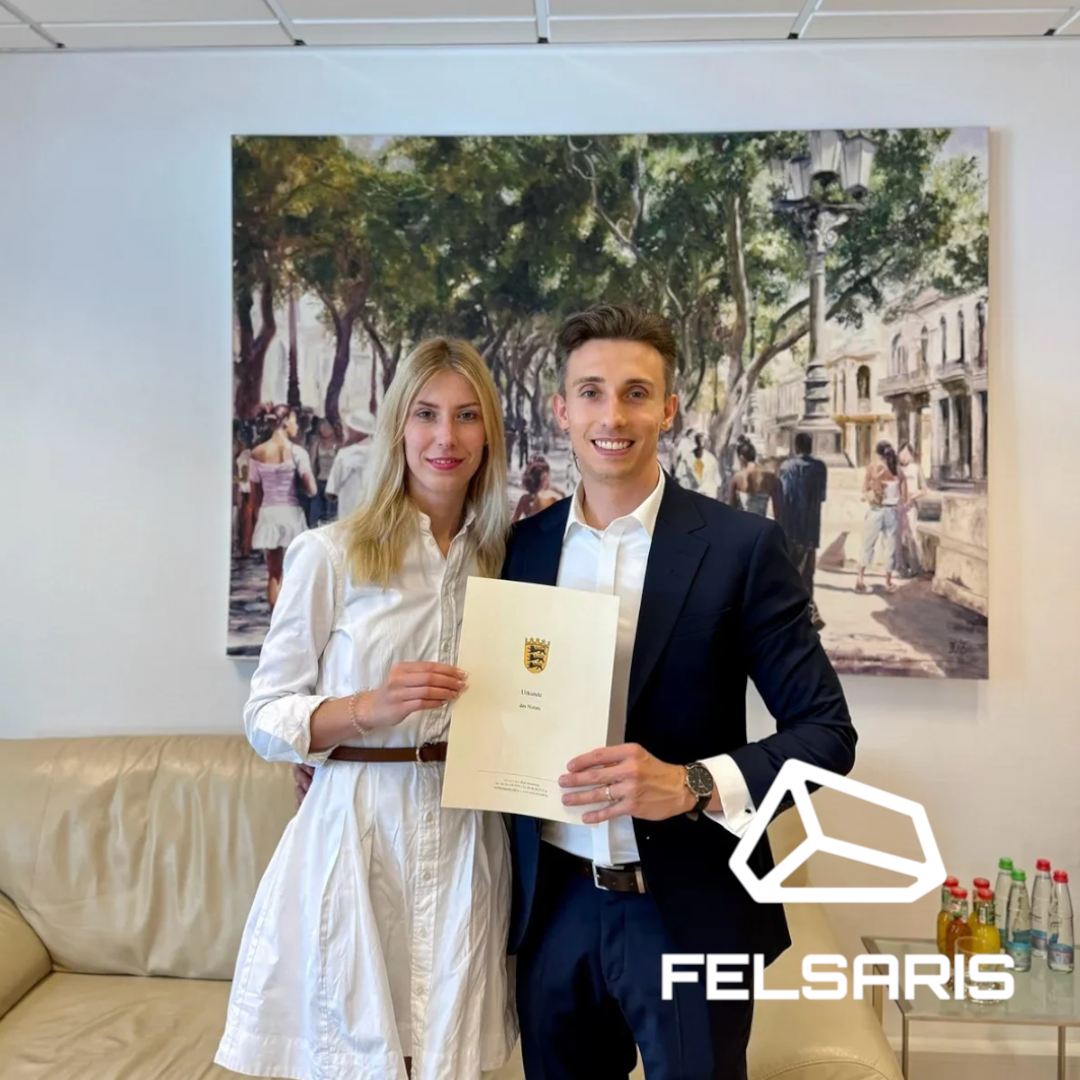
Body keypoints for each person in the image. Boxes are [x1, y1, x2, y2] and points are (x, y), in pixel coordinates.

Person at [502, 304, 855, 1080]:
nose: (612, 415)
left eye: (635, 393)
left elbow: (827, 735)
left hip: (690, 910)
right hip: (551, 907)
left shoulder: (741, 547)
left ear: (667, 408)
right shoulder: (518, 549)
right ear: (561, 410)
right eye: (591, 392)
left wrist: (693, 784)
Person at [216, 339, 516, 1080]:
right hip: (356, 829)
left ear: (489, 435)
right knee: (354, 1051)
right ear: (397, 428)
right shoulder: (333, 553)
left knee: (444, 1047)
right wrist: (365, 708)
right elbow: (266, 716)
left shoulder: (508, 559)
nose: (445, 438)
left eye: (467, 416)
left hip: (467, 830)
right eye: (426, 414)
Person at [249, 405, 317, 610]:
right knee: (295, 572)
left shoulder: (256, 453)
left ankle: (275, 622)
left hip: (269, 513)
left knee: (274, 574)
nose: (297, 425)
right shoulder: (297, 452)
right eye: (295, 421)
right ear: (286, 422)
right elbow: (312, 489)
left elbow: (255, 495)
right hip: (291, 514)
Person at [777, 432, 828, 631]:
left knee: (788, 571)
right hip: (810, 527)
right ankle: (808, 614)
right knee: (807, 574)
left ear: (796, 447)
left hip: (789, 526)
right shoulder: (820, 468)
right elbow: (822, 496)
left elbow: (782, 497)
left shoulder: (785, 468)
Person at [855, 439, 908, 594]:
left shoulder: (872, 468)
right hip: (892, 511)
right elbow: (904, 498)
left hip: (876, 510)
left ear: (878, 454)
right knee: (890, 547)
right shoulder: (898, 471)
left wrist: (871, 495)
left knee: (867, 545)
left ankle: (860, 580)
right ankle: (888, 582)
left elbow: (865, 489)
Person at [325, 410, 374, 521]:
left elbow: (331, 492)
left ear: (360, 431)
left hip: (348, 517)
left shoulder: (344, 455)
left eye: (350, 428)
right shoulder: (382, 454)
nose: (346, 430)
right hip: (372, 517)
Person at [727, 435, 779, 517]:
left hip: (744, 525)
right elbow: (777, 509)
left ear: (741, 458)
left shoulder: (737, 478)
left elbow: (731, 508)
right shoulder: (770, 476)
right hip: (763, 525)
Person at [897, 442, 928, 576]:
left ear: (911, 455)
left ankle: (917, 566)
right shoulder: (896, 469)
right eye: (901, 453)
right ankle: (903, 567)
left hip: (910, 506)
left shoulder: (916, 469)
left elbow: (924, 489)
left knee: (912, 535)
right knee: (900, 537)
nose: (903, 457)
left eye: (907, 454)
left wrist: (912, 497)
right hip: (898, 506)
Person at [306, 417, 342, 527]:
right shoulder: (317, 444)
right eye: (322, 426)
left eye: (327, 426)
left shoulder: (338, 445)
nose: (324, 429)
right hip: (320, 481)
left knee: (331, 515)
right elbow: (312, 464)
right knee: (315, 514)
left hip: (333, 484)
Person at [512, 457, 565, 522]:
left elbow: (513, 521)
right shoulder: (552, 497)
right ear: (544, 477)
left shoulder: (524, 499)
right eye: (549, 475)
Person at [675, 431, 721, 499]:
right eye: (698, 440)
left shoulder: (712, 460)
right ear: (695, 441)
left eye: (703, 440)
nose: (700, 443)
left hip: (708, 496)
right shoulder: (687, 459)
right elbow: (680, 478)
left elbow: (717, 481)